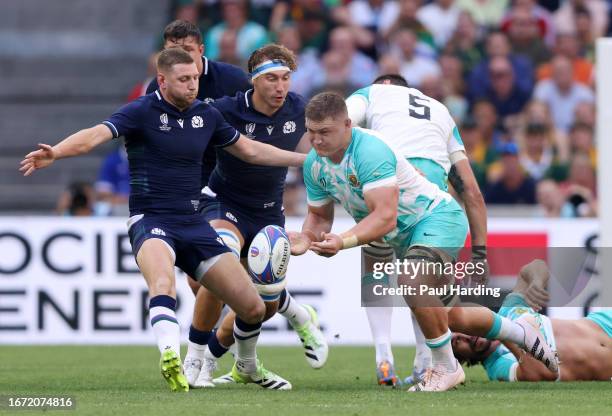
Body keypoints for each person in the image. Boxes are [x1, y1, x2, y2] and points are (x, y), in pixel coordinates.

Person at [20, 48, 305, 392]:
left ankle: (245, 367)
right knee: (163, 284)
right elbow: (95, 135)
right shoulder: (142, 111)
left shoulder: (207, 115)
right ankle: (171, 355)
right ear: (163, 80)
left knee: (254, 307)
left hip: (193, 223)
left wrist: (307, 160)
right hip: (151, 220)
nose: (192, 86)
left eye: (195, 78)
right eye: (184, 80)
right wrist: (57, 151)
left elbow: (252, 150)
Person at [290, 92, 558, 391]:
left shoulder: (369, 151)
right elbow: (318, 216)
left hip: (437, 219)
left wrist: (341, 241)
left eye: (325, 132)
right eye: (311, 132)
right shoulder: (315, 163)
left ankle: (445, 367)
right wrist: (306, 237)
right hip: (407, 237)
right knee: (452, 317)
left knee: (410, 278)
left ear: (348, 125)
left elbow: (385, 218)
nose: (316, 141)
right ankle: (523, 333)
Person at [184, 44, 328, 389]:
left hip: (268, 212)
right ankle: (196, 358)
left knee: (258, 304)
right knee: (220, 268)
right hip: (223, 202)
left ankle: (292, 315)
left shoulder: (300, 109)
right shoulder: (226, 109)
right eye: (272, 79)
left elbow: (329, 147)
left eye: (286, 78)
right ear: (254, 81)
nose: (280, 87)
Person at [345, 74, 487, 385]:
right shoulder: (441, 110)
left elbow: (340, 125)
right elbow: (472, 192)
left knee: (376, 256)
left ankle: (383, 354)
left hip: (386, 175)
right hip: (431, 187)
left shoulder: (371, 94)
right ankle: (426, 364)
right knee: (423, 275)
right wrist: (480, 252)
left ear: (384, 86)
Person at [453, 260, 612, 381]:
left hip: (605, 322)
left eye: (464, 328)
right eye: (456, 342)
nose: (466, 336)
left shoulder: (509, 311)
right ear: (460, 358)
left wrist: (536, 282)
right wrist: (504, 334)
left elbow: (535, 266)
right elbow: (542, 373)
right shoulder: (498, 366)